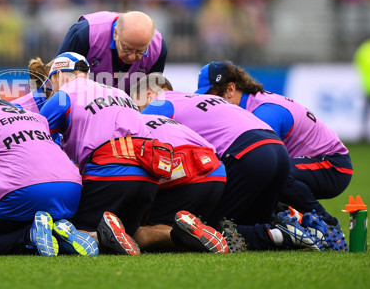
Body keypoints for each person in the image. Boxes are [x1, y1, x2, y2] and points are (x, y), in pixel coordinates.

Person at [39, 52, 227, 255]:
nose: (52, 89)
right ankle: (175, 234)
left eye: (52, 82)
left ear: (58, 74)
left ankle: (104, 233)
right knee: (136, 233)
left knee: (72, 231)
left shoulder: (64, 94)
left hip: (108, 170)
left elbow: (35, 139)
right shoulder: (120, 93)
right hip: (148, 175)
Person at [131, 73, 322, 252]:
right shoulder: (197, 100)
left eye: (136, 106)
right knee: (246, 223)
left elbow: (142, 135)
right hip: (277, 148)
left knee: (208, 227)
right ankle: (293, 228)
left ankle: (281, 232)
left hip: (247, 152)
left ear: (148, 96)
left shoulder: (161, 101)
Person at [195, 61, 351, 250]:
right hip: (309, 163)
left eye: (210, 96)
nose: (208, 103)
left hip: (333, 165)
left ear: (230, 89)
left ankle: (329, 227)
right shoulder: (252, 105)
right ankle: (289, 229)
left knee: (276, 174)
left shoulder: (264, 112)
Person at [0, 86, 98, 256]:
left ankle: (30, 235)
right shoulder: (37, 118)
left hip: (24, 192)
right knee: (39, 225)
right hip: (71, 189)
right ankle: (59, 230)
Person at [133, 113, 229, 252]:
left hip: (183, 167)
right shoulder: (159, 118)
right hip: (216, 170)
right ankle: (209, 234)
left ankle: (185, 238)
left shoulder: (126, 122)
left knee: (135, 232)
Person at [55, 11, 168, 94]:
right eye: (126, 49)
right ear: (115, 34)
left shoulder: (157, 49)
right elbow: (57, 80)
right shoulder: (85, 34)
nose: (132, 57)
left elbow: (149, 97)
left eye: (140, 51)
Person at [354, 38, 370, 142]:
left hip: (368, 86)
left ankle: (364, 134)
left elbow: (357, 61)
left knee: (366, 112)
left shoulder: (364, 49)